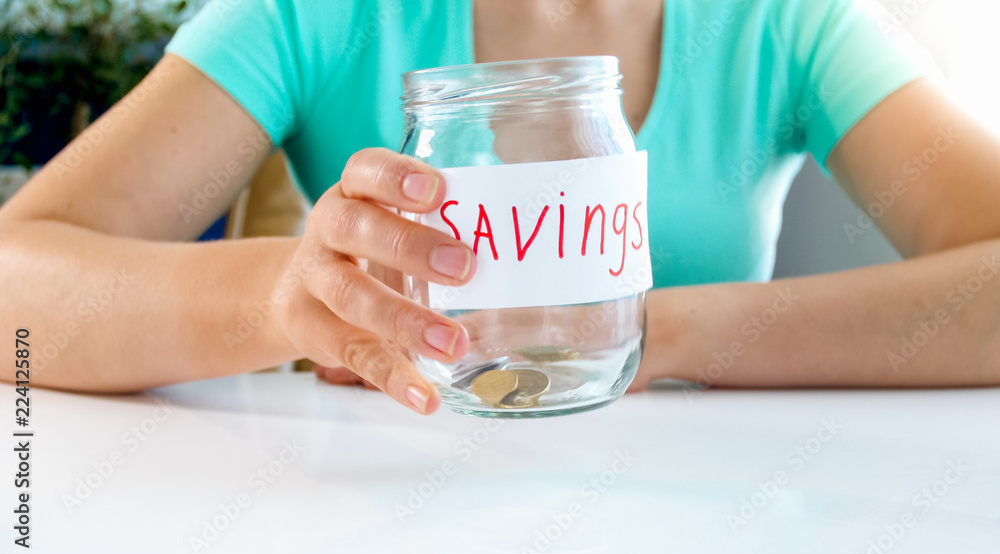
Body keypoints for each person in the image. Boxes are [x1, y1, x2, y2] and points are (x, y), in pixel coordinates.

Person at [2, 0, 999, 415]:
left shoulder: (785, 21)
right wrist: (291, 298)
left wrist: (656, 332)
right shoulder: (313, 15)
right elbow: (15, 292)